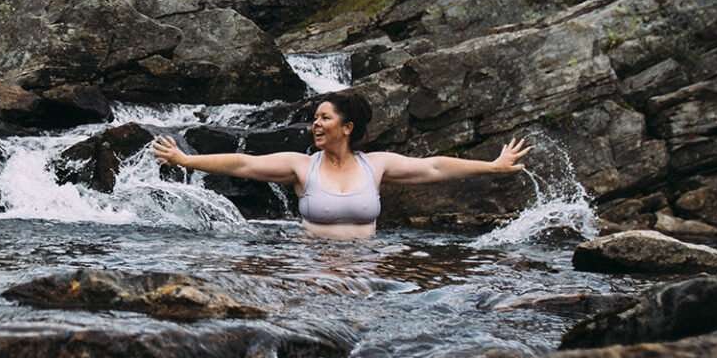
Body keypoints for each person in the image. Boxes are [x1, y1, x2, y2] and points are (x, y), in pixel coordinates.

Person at [150, 90, 530, 238]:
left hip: (367, 269)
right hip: (312, 269)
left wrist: (492, 167)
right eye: (315, 117)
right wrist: (186, 159)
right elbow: (242, 164)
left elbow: (433, 168)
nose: (316, 124)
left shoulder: (376, 165)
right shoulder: (301, 167)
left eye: (325, 118)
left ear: (347, 128)